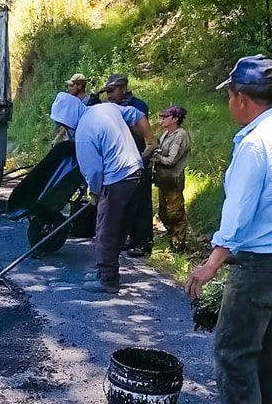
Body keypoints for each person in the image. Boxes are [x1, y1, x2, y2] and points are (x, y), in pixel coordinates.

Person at [185, 55, 272, 404]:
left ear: (242, 98)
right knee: (269, 344)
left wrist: (212, 263)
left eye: (229, 96)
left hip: (258, 264)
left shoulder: (255, 144)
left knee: (233, 346)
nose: (228, 104)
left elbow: (240, 209)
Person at [50, 91, 154, 294]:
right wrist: (151, 140)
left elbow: (94, 171)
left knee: (106, 228)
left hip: (117, 178)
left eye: (64, 124)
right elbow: (137, 114)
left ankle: (107, 279)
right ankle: (105, 270)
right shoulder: (105, 108)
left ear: (69, 119)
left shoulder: (83, 134)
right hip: (136, 171)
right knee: (120, 225)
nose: (66, 129)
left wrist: (95, 194)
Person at [104, 73, 153, 256]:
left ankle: (144, 242)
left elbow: (141, 130)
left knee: (142, 203)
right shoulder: (112, 107)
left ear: (124, 89)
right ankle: (132, 237)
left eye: (113, 90)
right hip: (122, 160)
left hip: (140, 157)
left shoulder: (137, 106)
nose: (109, 95)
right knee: (128, 203)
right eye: (107, 91)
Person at [152, 105, 191, 252]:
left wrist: (155, 156)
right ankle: (170, 240)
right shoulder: (165, 134)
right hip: (163, 179)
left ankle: (178, 245)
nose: (161, 119)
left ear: (175, 119)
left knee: (176, 214)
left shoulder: (180, 135)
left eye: (165, 117)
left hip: (173, 179)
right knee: (164, 213)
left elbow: (171, 160)